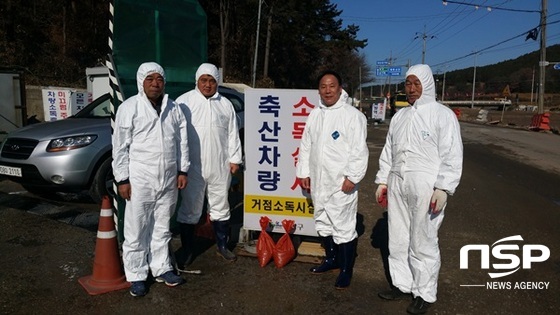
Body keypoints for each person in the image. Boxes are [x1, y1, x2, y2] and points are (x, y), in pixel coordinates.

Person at [375, 64, 463, 314]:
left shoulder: (442, 115)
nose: (411, 89)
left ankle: (424, 292)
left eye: (416, 83)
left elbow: (452, 154)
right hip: (398, 183)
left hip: (426, 186)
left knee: (423, 239)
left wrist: (444, 188)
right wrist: (383, 181)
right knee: (399, 237)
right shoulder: (400, 116)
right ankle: (402, 284)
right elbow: (389, 151)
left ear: (427, 84)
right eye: (408, 84)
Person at [112, 62, 189, 297]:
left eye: (159, 79)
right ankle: (136, 274)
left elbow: (182, 142)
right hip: (139, 179)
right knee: (137, 228)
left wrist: (182, 170)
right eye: (150, 79)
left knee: (163, 227)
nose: (156, 84)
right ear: (141, 82)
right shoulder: (130, 108)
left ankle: (161, 267)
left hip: (168, 179)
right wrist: (122, 179)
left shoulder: (173, 108)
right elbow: (120, 147)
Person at [296, 70, 369, 289]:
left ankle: (346, 269)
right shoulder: (315, 114)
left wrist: (352, 177)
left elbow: (359, 150)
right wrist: (304, 172)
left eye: (332, 86)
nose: (327, 90)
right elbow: (306, 145)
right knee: (322, 220)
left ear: (340, 88)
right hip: (319, 180)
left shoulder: (352, 115)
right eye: (323, 86)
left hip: (340, 182)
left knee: (344, 225)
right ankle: (331, 259)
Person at [175, 63, 243, 266]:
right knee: (190, 208)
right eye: (204, 80)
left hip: (220, 166)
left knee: (221, 206)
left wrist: (235, 159)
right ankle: (187, 249)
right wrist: (180, 166)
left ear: (217, 82)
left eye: (212, 81)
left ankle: (222, 246)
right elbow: (177, 135)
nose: (208, 85)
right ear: (197, 81)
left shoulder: (225, 104)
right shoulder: (184, 102)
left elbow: (233, 133)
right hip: (192, 166)